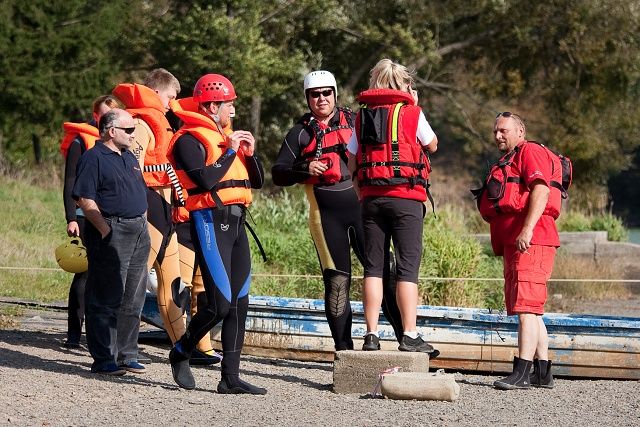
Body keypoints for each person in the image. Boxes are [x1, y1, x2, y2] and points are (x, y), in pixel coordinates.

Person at [272, 70, 403, 351]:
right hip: (325, 216)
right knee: (337, 284)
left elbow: (390, 135)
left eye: (326, 93)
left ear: (334, 94)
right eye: (315, 94)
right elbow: (278, 173)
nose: (321, 99)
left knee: (387, 270)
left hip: (363, 211)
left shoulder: (356, 121)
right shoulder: (300, 132)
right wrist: (304, 168)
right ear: (307, 98)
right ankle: (343, 350)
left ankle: (405, 338)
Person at [166, 74, 266, 394]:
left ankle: (230, 378)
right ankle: (182, 349)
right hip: (209, 221)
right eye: (229, 104)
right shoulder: (187, 139)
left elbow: (259, 181)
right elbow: (205, 181)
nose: (233, 109)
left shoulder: (225, 136)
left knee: (239, 302)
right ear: (212, 105)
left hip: (237, 223)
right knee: (220, 306)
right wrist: (229, 152)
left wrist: (248, 153)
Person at [112, 70, 216, 365]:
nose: (173, 103)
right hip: (147, 210)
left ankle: (186, 347)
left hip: (166, 212)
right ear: (157, 92)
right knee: (132, 282)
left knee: (174, 287)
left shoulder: (162, 125)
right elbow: (129, 165)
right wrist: (164, 178)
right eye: (170, 97)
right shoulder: (141, 124)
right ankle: (117, 350)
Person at [347, 59, 439, 357]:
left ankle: (371, 334)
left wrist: (361, 190)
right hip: (406, 199)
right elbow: (432, 144)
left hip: (371, 200)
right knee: (407, 269)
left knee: (373, 268)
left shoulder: (361, 117)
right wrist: (414, 103)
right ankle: (409, 334)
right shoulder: (412, 112)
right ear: (403, 84)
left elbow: (351, 158)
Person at [475, 112, 562, 390]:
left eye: (504, 130)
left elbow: (541, 190)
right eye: (495, 131)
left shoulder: (530, 152)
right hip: (517, 242)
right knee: (532, 310)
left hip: (531, 241)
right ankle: (543, 372)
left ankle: (521, 372)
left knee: (526, 308)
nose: (498, 135)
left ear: (520, 130)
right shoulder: (510, 158)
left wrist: (527, 230)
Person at [72, 109, 151, 375]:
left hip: (139, 230)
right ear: (110, 130)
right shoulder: (93, 158)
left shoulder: (129, 156)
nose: (133, 134)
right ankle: (104, 358)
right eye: (128, 130)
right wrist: (105, 230)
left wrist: (143, 219)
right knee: (105, 296)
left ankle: (127, 354)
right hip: (112, 229)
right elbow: (84, 198)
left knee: (134, 296)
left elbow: (140, 190)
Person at [60, 95, 120, 348]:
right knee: (84, 273)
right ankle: (74, 331)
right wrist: (71, 218)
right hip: (85, 215)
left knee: (110, 274)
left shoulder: (121, 141)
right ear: (95, 116)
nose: (107, 121)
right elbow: (70, 182)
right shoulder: (79, 142)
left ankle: (105, 334)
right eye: (103, 116)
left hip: (113, 214)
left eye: (112, 116)